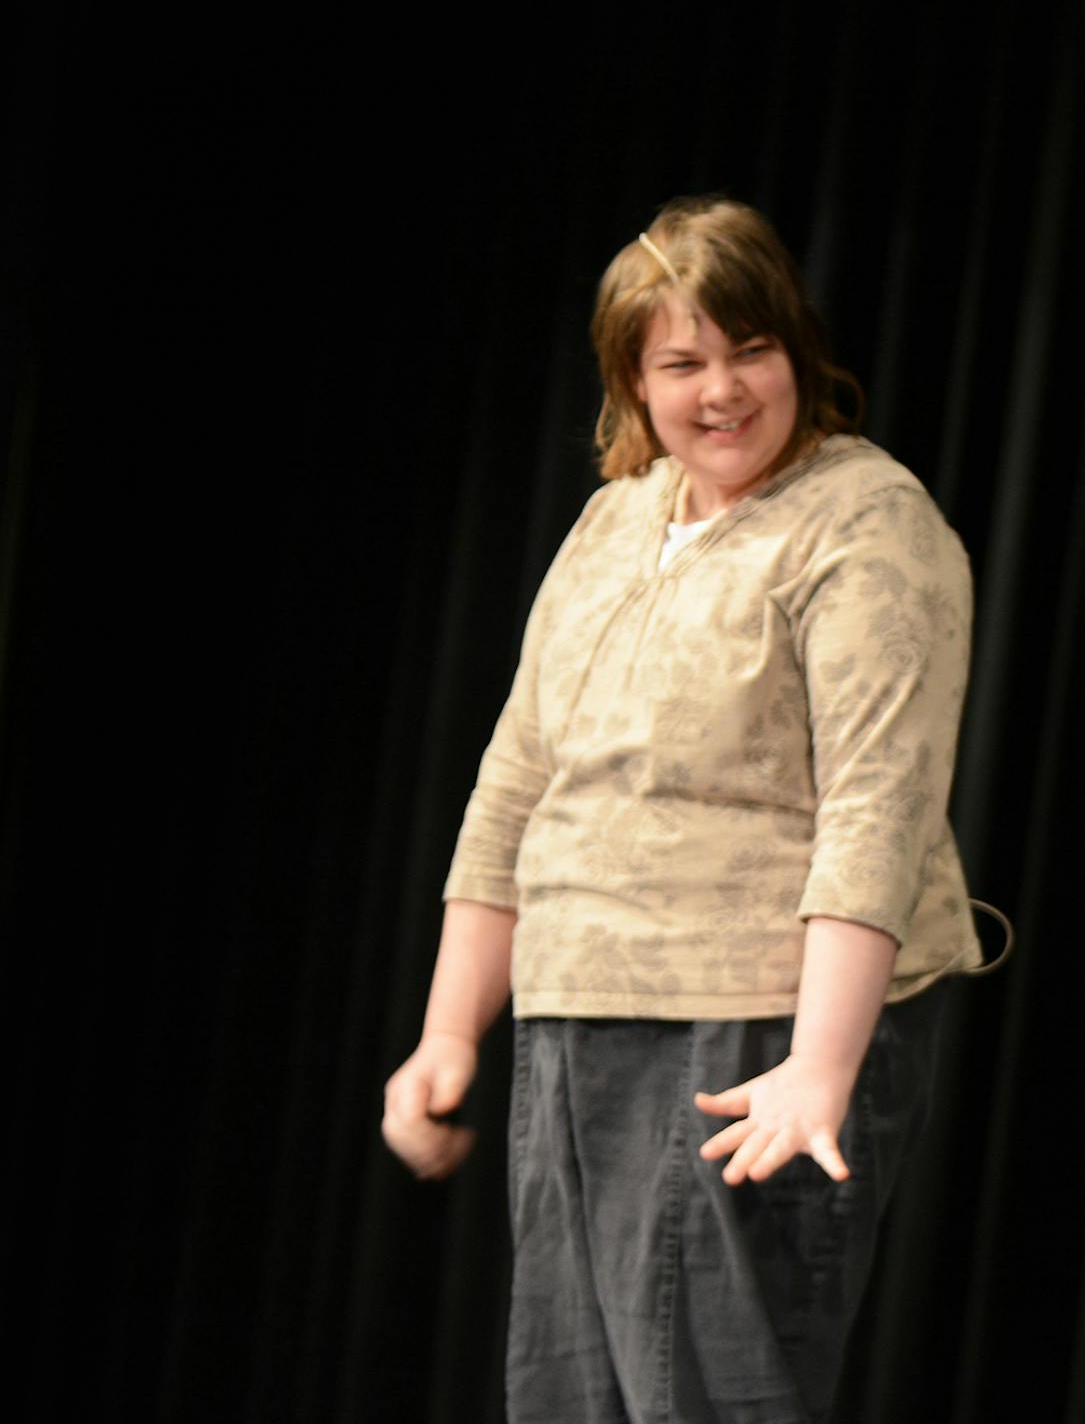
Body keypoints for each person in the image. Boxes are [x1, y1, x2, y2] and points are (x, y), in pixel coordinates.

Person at [380, 195, 981, 1423]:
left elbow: (879, 805)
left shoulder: (866, 522)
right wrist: (450, 1034)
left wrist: (819, 1064)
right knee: (571, 1400)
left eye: (751, 350)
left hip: (753, 1034)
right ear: (631, 382)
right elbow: (516, 781)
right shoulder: (617, 518)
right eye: (682, 363)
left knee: (708, 1396)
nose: (724, 389)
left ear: (796, 349)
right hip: (577, 1014)